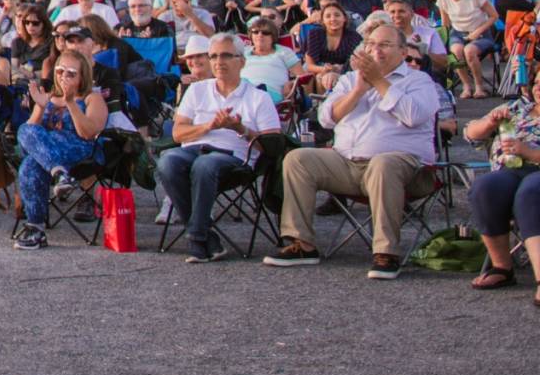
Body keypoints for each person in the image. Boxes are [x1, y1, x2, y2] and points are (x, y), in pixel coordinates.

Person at [265, 20, 445, 278]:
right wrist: (359, 90)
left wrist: (379, 81)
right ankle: (301, 244)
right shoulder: (350, 80)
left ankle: (386, 252)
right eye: (371, 44)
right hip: (348, 163)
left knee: (383, 164)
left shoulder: (419, 81)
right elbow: (326, 118)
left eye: (385, 45)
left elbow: (413, 115)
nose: (376, 51)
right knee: (298, 158)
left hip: (407, 169)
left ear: (403, 51)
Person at [155, 32, 282, 262]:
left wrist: (240, 128)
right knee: (167, 161)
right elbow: (177, 133)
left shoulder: (258, 97)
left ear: (241, 61)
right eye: (213, 56)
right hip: (193, 151)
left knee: (205, 165)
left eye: (225, 56)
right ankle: (206, 237)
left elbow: (273, 145)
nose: (218, 62)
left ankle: (196, 237)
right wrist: (209, 126)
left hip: (236, 158)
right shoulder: (197, 90)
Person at [11, 47, 109, 251]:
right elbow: (28, 137)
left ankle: (35, 228)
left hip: (79, 150)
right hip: (49, 152)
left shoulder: (92, 98)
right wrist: (40, 107)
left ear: (82, 77)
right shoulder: (48, 97)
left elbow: (88, 133)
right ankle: (58, 174)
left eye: (71, 73)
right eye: (60, 71)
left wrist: (71, 102)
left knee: (30, 163)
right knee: (25, 136)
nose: (63, 76)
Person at [462, 73, 540, 300]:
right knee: (485, 187)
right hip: (509, 171)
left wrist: (529, 153)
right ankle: (502, 267)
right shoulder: (516, 108)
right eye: (536, 83)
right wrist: (490, 123)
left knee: (530, 192)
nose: (538, 88)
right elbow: (470, 133)